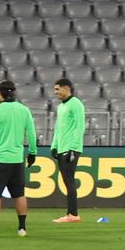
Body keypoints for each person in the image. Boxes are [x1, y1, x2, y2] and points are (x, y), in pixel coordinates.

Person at [0, 79, 38, 238]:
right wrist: (32, 153)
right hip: (17, 160)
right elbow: (31, 134)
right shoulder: (24, 110)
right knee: (19, 194)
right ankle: (22, 229)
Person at [51, 78, 86, 223]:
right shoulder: (61, 107)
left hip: (71, 148)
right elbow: (59, 128)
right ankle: (72, 213)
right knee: (67, 181)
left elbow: (80, 126)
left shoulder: (76, 104)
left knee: (69, 181)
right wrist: (54, 145)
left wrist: (73, 148)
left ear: (66, 88)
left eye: (57, 89)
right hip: (62, 148)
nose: (55, 92)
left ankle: (73, 214)